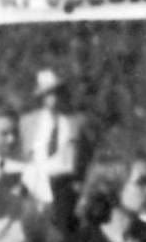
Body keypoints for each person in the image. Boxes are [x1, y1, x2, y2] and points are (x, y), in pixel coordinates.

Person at [19, 68, 94, 229]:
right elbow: (23, 153)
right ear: (41, 97)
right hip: (35, 183)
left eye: (56, 92)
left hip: (64, 185)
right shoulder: (28, 122)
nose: (53, 98)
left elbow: (87, 158)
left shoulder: (76, 122)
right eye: (48, 94)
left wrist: (82, 186)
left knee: (61, 233)